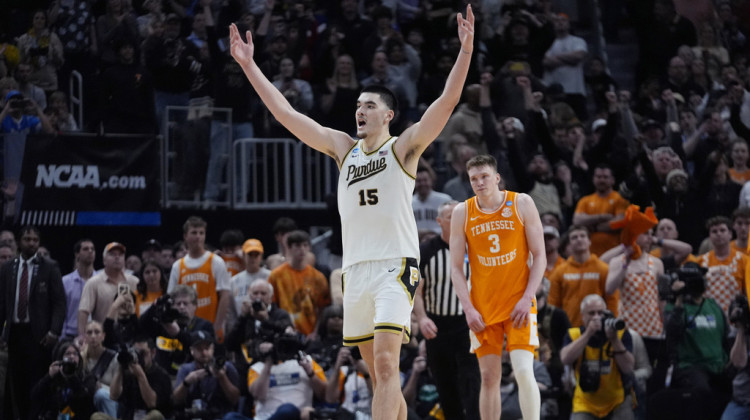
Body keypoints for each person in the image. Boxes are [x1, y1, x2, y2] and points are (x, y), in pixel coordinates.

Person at [230, 4, 475, 418]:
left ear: (389, 115)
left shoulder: (403, 148)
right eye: (357, 105)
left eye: (369, 105)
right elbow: (287, 115)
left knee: (384, 363)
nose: (359, 110)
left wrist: (465, 50)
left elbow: (447, 102)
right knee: (381, 377)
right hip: (356, 270)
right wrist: (250, 66)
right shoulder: (343, 148)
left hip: (394, 266)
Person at [449, 154, 546, 420]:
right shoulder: (462, 212)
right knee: (489, 377)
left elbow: (540, 255)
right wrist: (468, 308)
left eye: (484, 177)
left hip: (519, 303)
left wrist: (528, 297)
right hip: (483, 306)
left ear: (497, 177)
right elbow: (456, 268)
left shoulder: (521, 202)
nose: (479, 183)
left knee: (524, 371)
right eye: (474, 179)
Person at [414, 200, 480, 420]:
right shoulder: (426, 250)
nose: (457, 219)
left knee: (472, 384)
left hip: (466, 324)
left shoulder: (476, 247)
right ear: (439, 221)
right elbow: (416, 289)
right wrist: (422, 318)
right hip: (437, 325)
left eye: (461, 215)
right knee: (445, 386)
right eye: (451, 216)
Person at [0, 226, 65, 420]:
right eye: (27, 239)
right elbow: (2, 303)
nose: (31, 243)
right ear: (19, 242)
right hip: (15, 333)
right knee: (15, 382)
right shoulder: (7, 267)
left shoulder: (49, 266)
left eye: (35, 240)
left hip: (39, 335)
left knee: (36, 383)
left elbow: (59, 303)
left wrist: (54, 331)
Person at [560, 294, 635, 420]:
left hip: (616, 401)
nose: (597, 317)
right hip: (585, 403)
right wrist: (588, 334)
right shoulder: (574, 334)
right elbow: (565, 359)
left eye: (600, 313)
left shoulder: (620, 334)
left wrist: (614, 340)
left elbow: (628, 368)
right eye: (591, 313)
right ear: (582, 316)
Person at [168, 216, 231, 337]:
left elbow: (224, 296)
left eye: (201, 233)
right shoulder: (178, 266)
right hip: (184, 331)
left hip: (210, 326)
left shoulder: (216, 261)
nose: (198, 236)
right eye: (194, 232)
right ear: (185, 236)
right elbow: (171, 299)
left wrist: (217, 327)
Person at [548, 225, 619, 327]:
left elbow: (612, 300)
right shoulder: (559, 272)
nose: (579, 239)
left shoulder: (603, 269)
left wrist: (611, 322)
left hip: (598, 327)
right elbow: (553, 303)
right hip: (569, 328)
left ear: (589, 241)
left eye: (582, 236)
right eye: (574, 237)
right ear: (569, 243)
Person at [267, 230, 330, 336]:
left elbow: (322, 308)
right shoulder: (276, 275)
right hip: (284, 332)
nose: (302, 249)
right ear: (289, 248)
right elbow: (272, 306)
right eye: (297, 245)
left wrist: (315, 332)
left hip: (310, 333)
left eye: (305, 245)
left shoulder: (318, 277)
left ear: (309, 248)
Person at [78, 242, 139, 340]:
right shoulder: (93, 282)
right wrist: (82, 337)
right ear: (104, 260)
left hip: (130, 337)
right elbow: (83, 312)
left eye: (120, 255)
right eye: (112, 254)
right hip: (102, 339)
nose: (117, 257)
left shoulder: (134, 282)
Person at [172, 330, 241, 417]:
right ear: (192, 351)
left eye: (207, 348)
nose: (204, 353)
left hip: (220, 415)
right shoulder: (186, 369)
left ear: (213, 349)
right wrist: (187, 382)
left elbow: (235, 400)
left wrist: (222, 377)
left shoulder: (226, 367)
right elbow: (176, 400)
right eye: (199, 349)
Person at [110, 336, 173, 420]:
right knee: (98, 416)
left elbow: (151, 403)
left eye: (143, 353)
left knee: (155, 415)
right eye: (136, 352)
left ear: (153, 353)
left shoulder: (162, 375)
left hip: (151, 417)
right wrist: (120, 368)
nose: (139, 357)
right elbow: (113, 396)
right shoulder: (129, 372)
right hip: (130, 416)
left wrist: (141, 376)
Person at [29, 341, 96, 420]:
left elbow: (86, 402)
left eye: (75, 354)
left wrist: (71, 377)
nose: (72, 357)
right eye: (67, 354)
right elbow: (34, 396)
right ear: (60, 358)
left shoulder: (86, 377)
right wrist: (48, 377)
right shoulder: (54, 376)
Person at [572, 165, 629, 256]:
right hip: (590, 254)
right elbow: (577, 221)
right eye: (598, 177)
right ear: (593, 179)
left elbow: (620, 222)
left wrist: (593, 227)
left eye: (605, 177)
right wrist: (602, 217)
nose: (602, 180)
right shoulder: (585, 200)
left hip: (614, 253)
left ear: (612, 180)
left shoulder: (620, 199)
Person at [228, 238, 271, 327]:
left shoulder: (270, 277)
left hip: (266, 324)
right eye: (250, 254)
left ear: (261, 256)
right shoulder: (234, 281)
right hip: (242, 326)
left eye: (256, 255)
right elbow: (231, 311)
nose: (253, 258)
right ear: (243, 255)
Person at [62, 239, 96, 339]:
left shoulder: (101, 280)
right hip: (70, 335)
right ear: (77, 254)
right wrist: (63, 337)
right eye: (85, 249)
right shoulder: (65, 281)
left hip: (96, 335)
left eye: (92, 249)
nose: (90, 251)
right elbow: (61, 312)